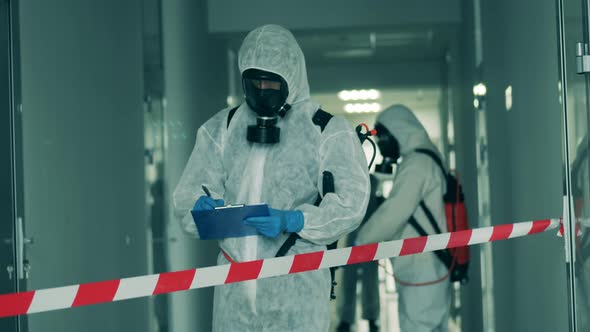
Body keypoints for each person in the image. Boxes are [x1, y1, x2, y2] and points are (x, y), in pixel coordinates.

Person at [173, 24, 370, 332]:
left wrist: (295, 220)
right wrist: (200, 211)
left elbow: (352, 203)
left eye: (271, 83)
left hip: (297, 290)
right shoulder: (221, 130)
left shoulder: (326, 130)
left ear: (291, 78)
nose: (262, 90)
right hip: (233, 294)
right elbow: (187, 199)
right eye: (255, 82)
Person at [356, 104, 451, 332]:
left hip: (423, 271)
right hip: (431, 268)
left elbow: (394, 212)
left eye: (384, 140)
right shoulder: (427, 157)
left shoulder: (417, 164)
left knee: (419, 325)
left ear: (400, 131)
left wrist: (359, 242)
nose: (382, 146)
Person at [336, 174, 383, 332]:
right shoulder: (352, 184)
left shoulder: (374, 188)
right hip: (354, 238)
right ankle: (346, 319)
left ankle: (371, 318)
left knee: (370, 281)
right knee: (349, 280)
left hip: (370, 239)